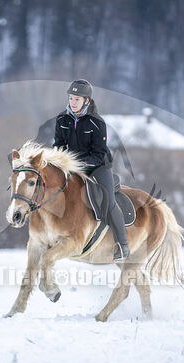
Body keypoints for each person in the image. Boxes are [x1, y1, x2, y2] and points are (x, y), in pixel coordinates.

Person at [53, 79, 130, 261]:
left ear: (86, 101)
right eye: (71, 98)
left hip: (98, 166)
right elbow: (58, 145)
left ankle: (123, 244)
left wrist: (76, 163)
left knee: (109, 201)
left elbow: (98, 153)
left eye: (77, 99)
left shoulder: (97, 123)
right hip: (71, 165)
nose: (73, 102)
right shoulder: (62, 119)